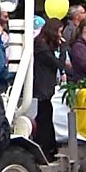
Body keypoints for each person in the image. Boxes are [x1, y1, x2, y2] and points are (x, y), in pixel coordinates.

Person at [33, 19, 66, 159]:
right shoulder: (42, 47)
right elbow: (57, 64)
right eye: (59, 32)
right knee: (44, 118)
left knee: (46, 116)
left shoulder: (43, 45)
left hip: (46, 84)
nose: (60, 35)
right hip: (43, 85)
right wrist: (63, 49)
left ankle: (50, 147)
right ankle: (45, 149)